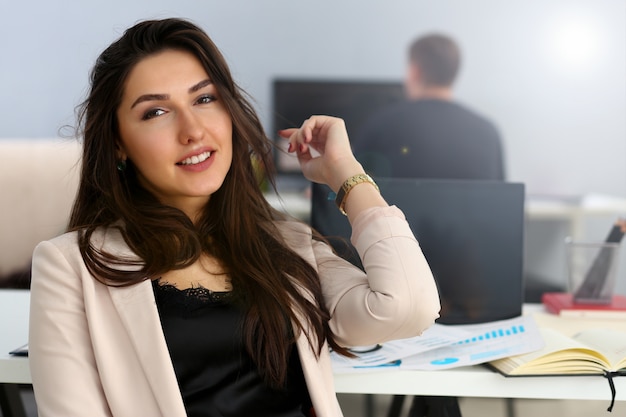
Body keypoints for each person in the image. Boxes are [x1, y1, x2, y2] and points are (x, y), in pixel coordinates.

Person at [28, 18, 441, 417]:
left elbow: (408, 307)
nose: (193, 130)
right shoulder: (70, 267)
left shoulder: (287, 245)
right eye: (156, 112)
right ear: (118, 144)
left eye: (204, 99)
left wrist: (346, 173)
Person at [353, 33, 505, 181]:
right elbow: (501, 198)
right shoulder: (489, 131)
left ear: (415, 72)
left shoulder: (382, 123)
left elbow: (350, 182)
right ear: (454, 72)